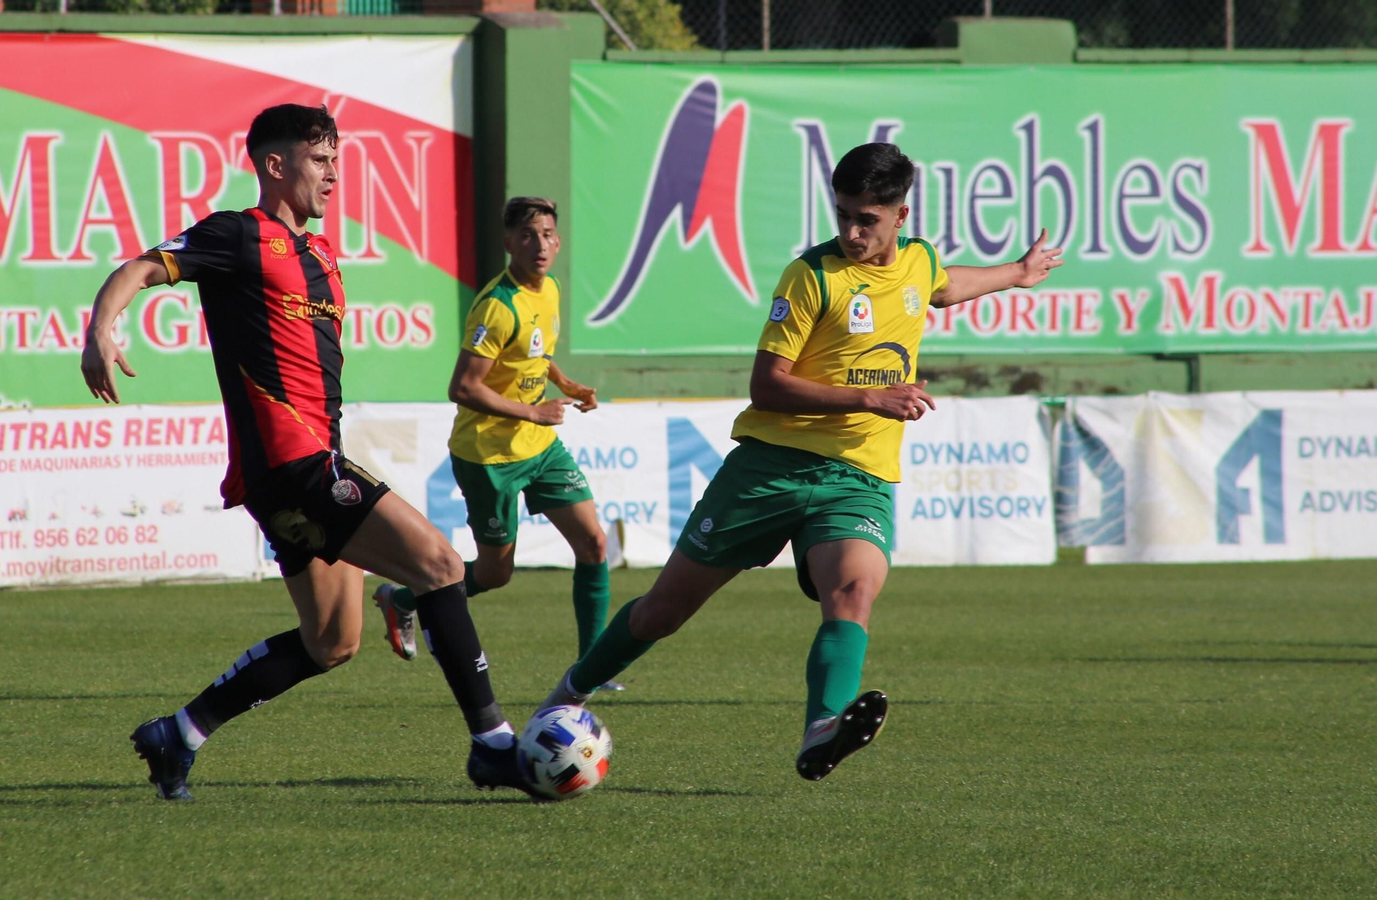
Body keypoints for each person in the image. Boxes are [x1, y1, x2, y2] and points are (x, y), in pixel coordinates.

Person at [540, 142, 1064, 780]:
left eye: (866, 220)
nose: (850, 231)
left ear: (901, 217)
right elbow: (768, 385)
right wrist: (868, 395)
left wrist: (1018, 270)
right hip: (772, 468)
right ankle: (568, 692)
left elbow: (949, 285)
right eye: (842, 214)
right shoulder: (811, 276)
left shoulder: (918, 262)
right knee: (662, 612)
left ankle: (822, 727)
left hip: (857, 476)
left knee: (855, 591)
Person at [79, 103, 531, 800]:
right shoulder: (236, 235)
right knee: (440, 565)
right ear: (273, 164)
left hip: (302, 464)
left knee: (333, 641)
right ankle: (494, 745)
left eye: (337, 162)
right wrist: (101, 330)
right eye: (320, 162)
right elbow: (138, 269)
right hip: (293, 466)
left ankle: (180, 733)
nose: (332, 176)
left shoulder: (319, 254)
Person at [371, 198, 622, 690]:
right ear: (509, 243)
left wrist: (566, 384)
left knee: (593, 543)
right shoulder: (496, 305)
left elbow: (534, 352)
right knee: (494, 573)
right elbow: (463, 387)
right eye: (528, 235)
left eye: (548, 234)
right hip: (488, 456)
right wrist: (534, 410)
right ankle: (402, 600)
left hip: (539, 446)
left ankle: (592, 669)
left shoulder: (549, 289)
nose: (540, 244)